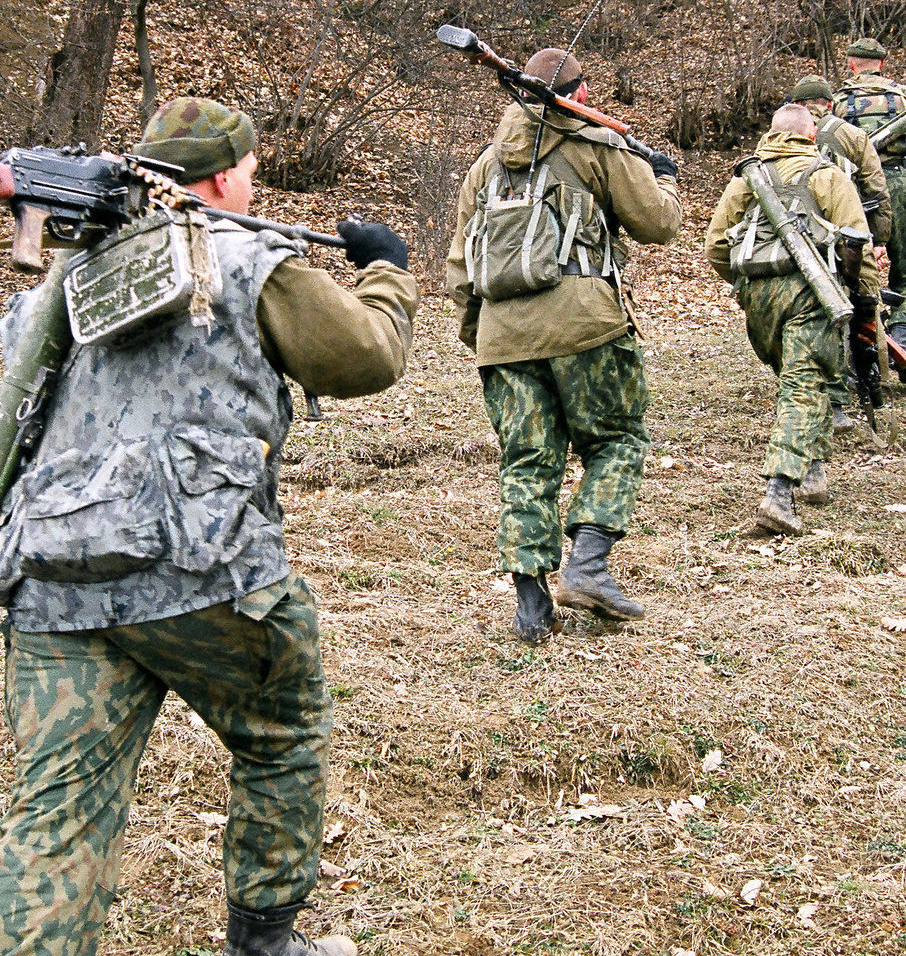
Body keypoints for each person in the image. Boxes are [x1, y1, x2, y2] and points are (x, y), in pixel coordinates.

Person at [0, 98, 420, 956]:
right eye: (253, 171)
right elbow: (367, 358)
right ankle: (265, 941)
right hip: (204, 570)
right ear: (227, 176)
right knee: (282, 732)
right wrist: (387, 270)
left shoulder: (63, 284)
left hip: (49, 574)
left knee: (57, 814)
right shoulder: (248, 257)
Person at [447, 48, 682, 644]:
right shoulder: (599, 148)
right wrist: (661, 177)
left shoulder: (484, 167)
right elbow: (658, 224)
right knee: (616, 440)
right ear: (578, 95)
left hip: (502, 339)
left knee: (528, 459)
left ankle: (531, 605)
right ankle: (588, 569)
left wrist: (480, 334)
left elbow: (460, 266)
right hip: (586, 329)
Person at [705, 103, 878, 536]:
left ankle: (814, 471)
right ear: (811, 133)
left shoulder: (747, 179)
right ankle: (778, 493)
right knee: (804, 384)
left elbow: (715, 247)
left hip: (757, 298)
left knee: (801, 376)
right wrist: (866, 299)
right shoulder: (827, 175)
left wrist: (749, 286)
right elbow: (859, 241)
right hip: (810, 293)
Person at [786, 73, 891, 430]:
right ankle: (840, 393)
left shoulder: (781, 134)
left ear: (797, 105)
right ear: (830, 104)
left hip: (793, 239)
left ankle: (806, 389)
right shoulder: (853, 135)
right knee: (849, 307)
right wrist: (878, 239)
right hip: (846, 235)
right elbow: (877, 192)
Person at [832, 37, 906, 344]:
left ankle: (861, 333)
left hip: (852, 189)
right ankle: (902, 332)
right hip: (899, 182)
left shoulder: (837, 102)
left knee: (852, 266)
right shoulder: (901, 99)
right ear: (882, 64)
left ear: (851, 64)